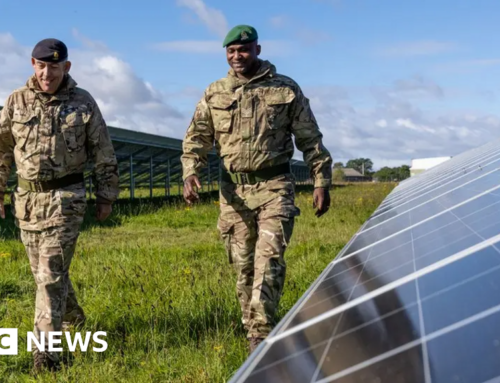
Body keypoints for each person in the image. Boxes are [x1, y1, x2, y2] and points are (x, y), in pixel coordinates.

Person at [181, 25, 333, 353]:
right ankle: (251, 324)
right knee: (243, 265)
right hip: (233, 194)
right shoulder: (215, 92)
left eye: (244, 50)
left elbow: (310, 138)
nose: (238, 57)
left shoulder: (285, 90)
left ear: (258, 50)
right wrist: (190, 173)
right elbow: (196, 139)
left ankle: (260, 335)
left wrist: (321, 180)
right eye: (231, 51)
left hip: (275, 187)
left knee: (270, 256)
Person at [0, 38, 119, 372]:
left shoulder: (83, 103)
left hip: (66, 201)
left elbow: (103, 150)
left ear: (66, 67)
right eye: (41, 65)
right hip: (27, 202)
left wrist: (106, 194)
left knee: (50, 274)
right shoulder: (16, 101)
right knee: (45, 275)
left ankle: (46, 354)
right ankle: (75, 319)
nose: (47, 73)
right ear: (33, 65)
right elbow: (1, 150)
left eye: (54, 66)